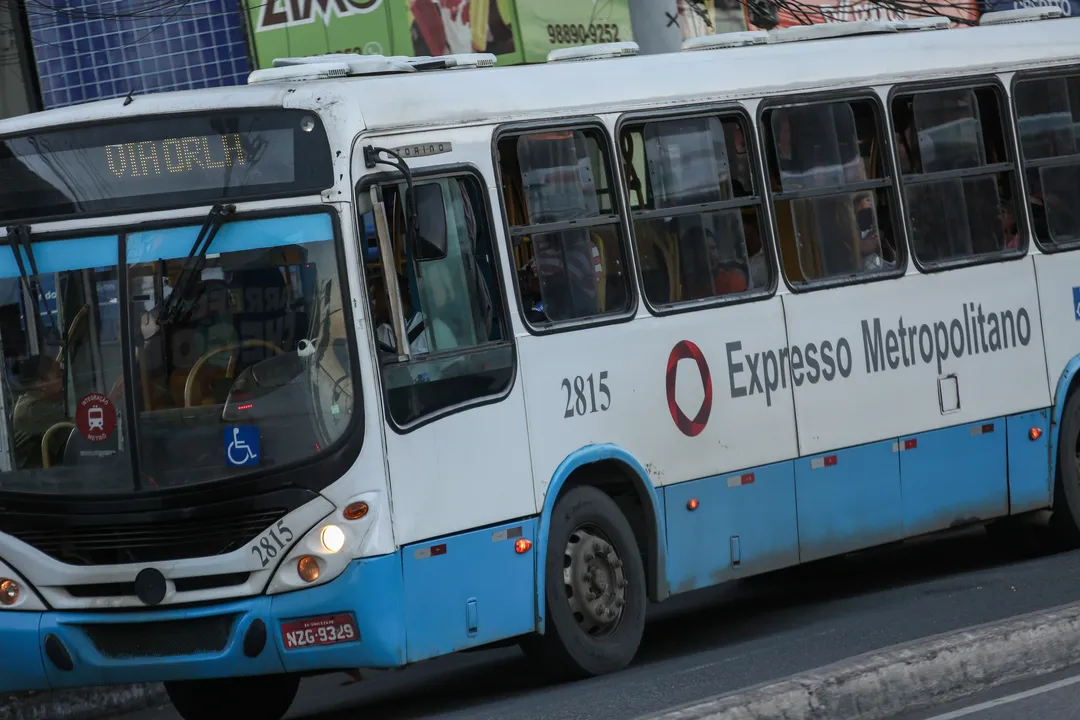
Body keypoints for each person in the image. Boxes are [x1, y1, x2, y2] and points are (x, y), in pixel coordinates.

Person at [11, 355, 68, 469]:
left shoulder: (27, 403)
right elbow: (85, 431)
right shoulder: (33, 410)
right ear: (41, 383)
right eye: (59, 376)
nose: (64, 382)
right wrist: (113, 395)